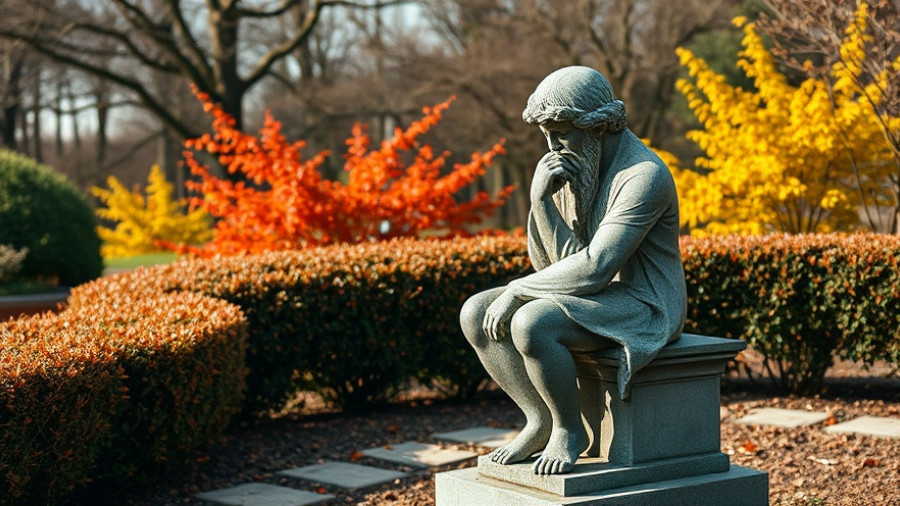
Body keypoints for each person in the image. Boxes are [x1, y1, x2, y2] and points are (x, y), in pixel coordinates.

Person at [459, 66, 687, 475]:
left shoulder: (643, 177)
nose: (551, 145)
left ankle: (569, 431)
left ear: (598, 126)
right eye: (545, 132)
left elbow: (596, 269)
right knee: (475, 311)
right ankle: (539, 420)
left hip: (645, 303)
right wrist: (542, 202)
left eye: (561, 130)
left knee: (531, 322)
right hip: (597, 296)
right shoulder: (578, 167)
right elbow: (558, 268)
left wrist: (518, 290)